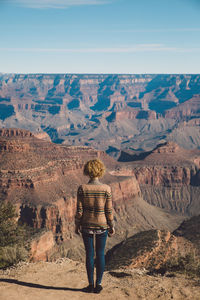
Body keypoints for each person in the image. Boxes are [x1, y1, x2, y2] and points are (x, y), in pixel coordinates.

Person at [75, 158, 115, 294]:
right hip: (102, 226)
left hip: (86, 225)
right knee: (100, 254)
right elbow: (109, 210)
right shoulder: (106, 189)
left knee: (89, 254)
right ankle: (98, 284)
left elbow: (79, 211)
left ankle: (90, 284)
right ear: (101, 170)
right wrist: (111, 225)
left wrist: (77, 224)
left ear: (87, 171)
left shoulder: (82, 188)